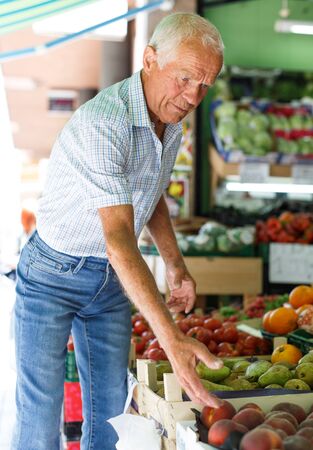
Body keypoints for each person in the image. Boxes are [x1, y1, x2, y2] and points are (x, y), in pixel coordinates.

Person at [12, 12, 224, 450]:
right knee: (40, 415)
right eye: (185, 78)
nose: (193, 96)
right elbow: (119, 238)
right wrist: (172, 340)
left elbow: (151, 192)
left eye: (205, 84)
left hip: (111, 283)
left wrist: (175, 263)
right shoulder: (104, 123)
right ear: (149, 60)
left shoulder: (172, 121)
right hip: (53, 274)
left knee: (111, 417)